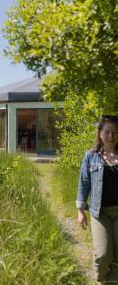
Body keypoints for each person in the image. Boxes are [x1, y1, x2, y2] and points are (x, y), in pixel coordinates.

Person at [76, 115, 118, 284]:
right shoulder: (90, 156)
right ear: (100, 134)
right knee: (102, 254)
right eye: (107, 132)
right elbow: (83, 183)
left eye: (115, 132)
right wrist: (80, 211)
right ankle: (100, 279)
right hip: (99, 212)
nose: (111, 136)